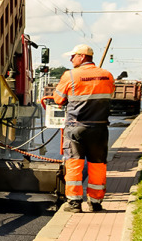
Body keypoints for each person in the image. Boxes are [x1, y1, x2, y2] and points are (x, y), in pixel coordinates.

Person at [49, 44, 115, 211]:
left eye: (73, 56)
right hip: (100, 128)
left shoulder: (70, 75)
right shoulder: (107, 75)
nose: (71, 59)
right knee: (98, 165)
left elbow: (58, 99)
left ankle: (74, 202)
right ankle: (95, 202)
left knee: (74, 164)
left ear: (83, 57)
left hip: (76, 127)